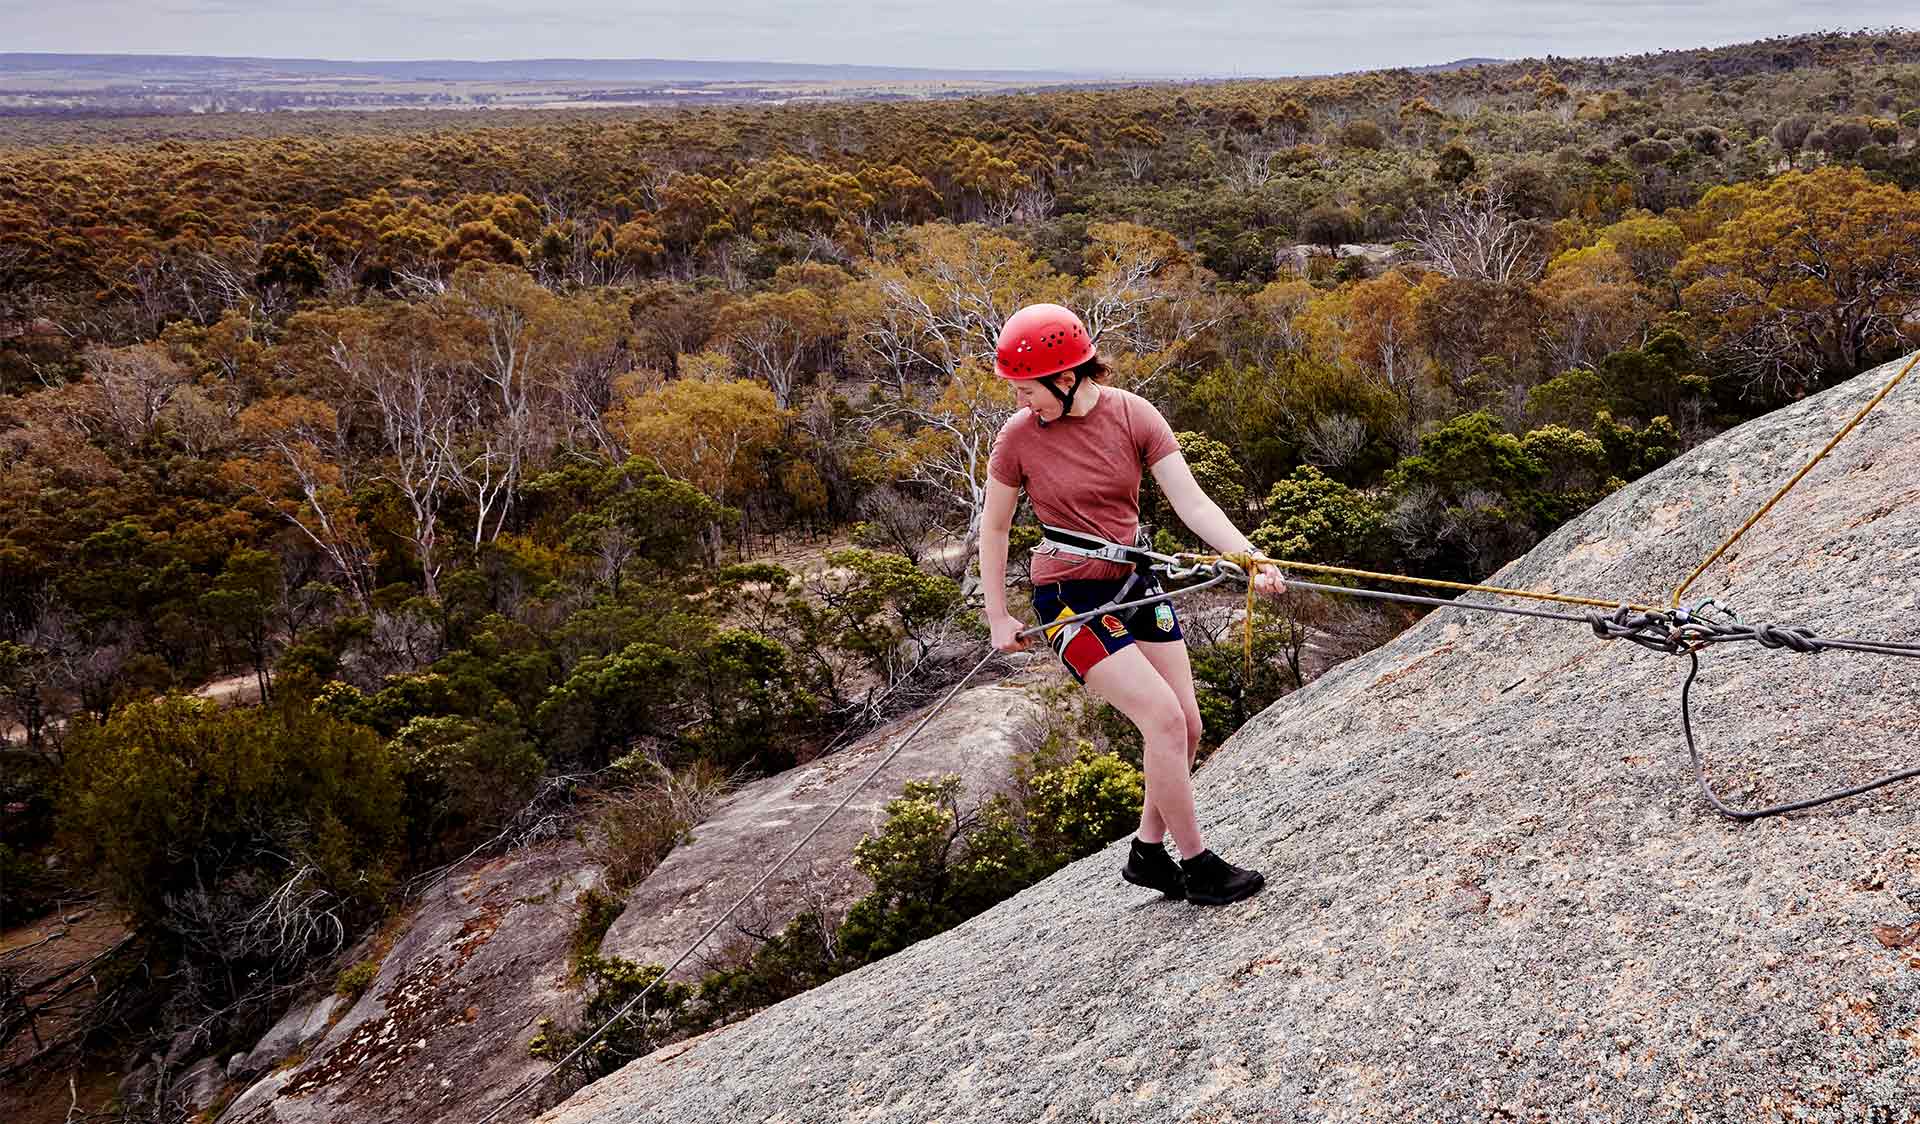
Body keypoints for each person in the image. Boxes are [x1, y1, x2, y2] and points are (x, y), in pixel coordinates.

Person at [979, 302, 1284, 906]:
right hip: (1068, 596)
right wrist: (997, 616)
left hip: (1136, 585)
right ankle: (1196, 865)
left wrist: (1251, 557)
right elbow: (994, 529)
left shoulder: (1135, 415)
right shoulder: (1016, 440)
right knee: (1162, 719)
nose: (1022, 404)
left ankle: (1147, 853)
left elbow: (1193, 504)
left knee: (1188, 727)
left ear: (1066, 378)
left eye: (1027, 390)